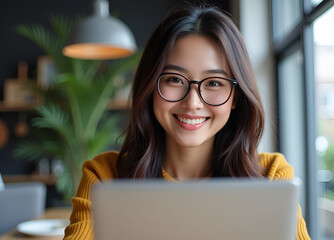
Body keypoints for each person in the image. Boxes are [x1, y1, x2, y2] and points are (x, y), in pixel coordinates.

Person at [63, 3, 310, 239]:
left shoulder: (270, 176)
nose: (193, 103)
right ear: (150, 87)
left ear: (236, 97)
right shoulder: (104, 176)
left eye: (214, 83)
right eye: (174, 79)